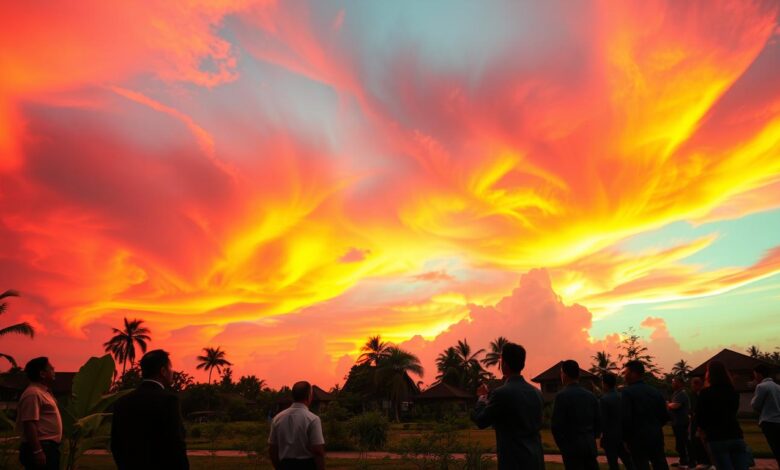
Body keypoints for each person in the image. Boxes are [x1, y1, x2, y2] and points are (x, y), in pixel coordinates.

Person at [111, 349, 189, 470]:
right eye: (170, 368)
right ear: (163, 371)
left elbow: (115, 445)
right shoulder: (168, 400)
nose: (172, 372)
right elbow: (176, 444)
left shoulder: (122, 402)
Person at [472, 342, 545, 470]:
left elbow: (481, 421)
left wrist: (482, 398)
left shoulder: (501, 393)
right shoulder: (537, 393)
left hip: (513, 461)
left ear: (504, 364)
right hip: (536, 459)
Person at [695, 360, 750, 470]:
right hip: (735, 434)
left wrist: (702, 432)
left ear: (709, 374)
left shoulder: (705, 393)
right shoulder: (733, 392)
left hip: (717, 437)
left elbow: (700, 417)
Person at [551, 360, 600, 470]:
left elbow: (556, 426)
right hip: (589, 445)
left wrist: (563, 447)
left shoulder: (561, 396)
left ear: (564, 374)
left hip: (571, 448)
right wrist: (592, 438)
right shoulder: (591, 396)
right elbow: (598, 422)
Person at [621, 360, 669, 470]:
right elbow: (664, 416)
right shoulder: (655, 392)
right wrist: (654, 427)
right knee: (660, 464)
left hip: (637, 439)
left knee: (641, 465)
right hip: (656, 436)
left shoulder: (627, 392)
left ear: (633, 373)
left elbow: (626, 419)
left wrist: (626, 439)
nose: (624, 375)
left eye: (626, 372)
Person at [17, 357, 62, 470]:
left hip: (48, 447)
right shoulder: (33, 393)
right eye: (50, 369)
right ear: (42, 373)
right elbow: (29, 423)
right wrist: (37, 451)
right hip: (42, 446)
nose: (54, 370)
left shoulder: (43, 392)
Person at [268, 381, 325, 470]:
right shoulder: (312, 419)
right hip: (306, 465)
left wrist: (279, 467)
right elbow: (318, 451)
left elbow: (272, 449)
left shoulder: (277, 418)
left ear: (293, 396)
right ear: (309, 396)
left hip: (285, 464)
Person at [600, 373, 635, 470]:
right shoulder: (622, 397)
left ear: (605, 384)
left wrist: (602, 435)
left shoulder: (604, 399)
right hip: (623, 435)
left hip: (610, 437)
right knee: (628, 461)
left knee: (613, 463)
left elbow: (604, 421)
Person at [751, 363, 780, 466]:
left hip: (768, 422)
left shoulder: (761, 386)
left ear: (759, 374)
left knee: (775, 448)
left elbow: (755, 405)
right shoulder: (778, 387)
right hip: (778, 421)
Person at [668, 376, 692, 468]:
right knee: (680, 442)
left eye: (675, 382)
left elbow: (675, 406)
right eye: (673, 382)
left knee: (683, 442)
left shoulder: (682, 393)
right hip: (677, 422)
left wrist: (667, 404)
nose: (673, 383)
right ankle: (683, 460)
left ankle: (687, 461)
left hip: (682, 422)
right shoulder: (676, 393)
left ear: (681, 383)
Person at [689, 377, 711, 469]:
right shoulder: (695, 395)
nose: (692, 387)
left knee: (700, 441)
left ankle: (704, 461)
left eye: (693, 384)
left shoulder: (703, 394)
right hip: (696, 421)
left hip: (700, 422)